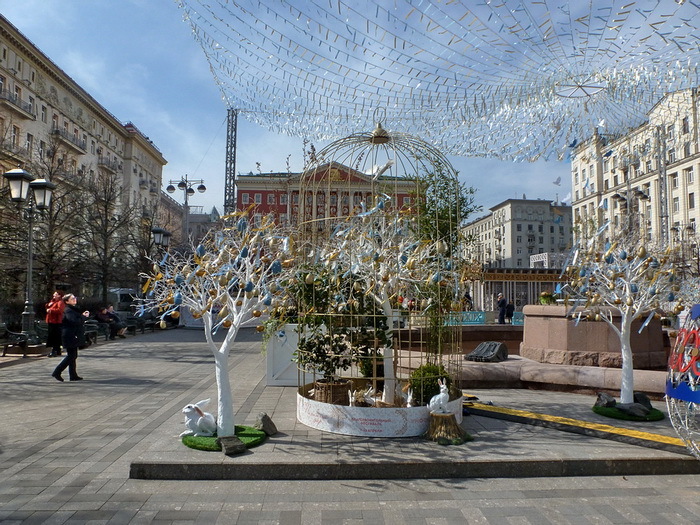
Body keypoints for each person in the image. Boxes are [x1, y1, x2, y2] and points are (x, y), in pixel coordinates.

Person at [52, 294, 89, 382]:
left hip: (72, 334)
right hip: (70, 335)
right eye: (72, 299)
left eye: (75, 298)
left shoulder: (73, 309)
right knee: (72, 356)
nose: (74, 299)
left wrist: (82, 316)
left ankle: (73, 375)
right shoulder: (68, 310)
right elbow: (74, 321)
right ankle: (57, 372)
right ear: (67, 301)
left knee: (73, 355)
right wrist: (84, 317)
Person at [45, 291, 65, 357]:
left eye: (55, 294)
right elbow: (48, 306)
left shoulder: (60, 302)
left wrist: (51, 311)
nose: (54, 295)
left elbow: (60, 310)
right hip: (51, 321)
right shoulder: (53, 301)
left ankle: (55, 350)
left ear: (59, 295)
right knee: (54, 336)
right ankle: (58, 350)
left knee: (54, 336)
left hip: (56, 322)